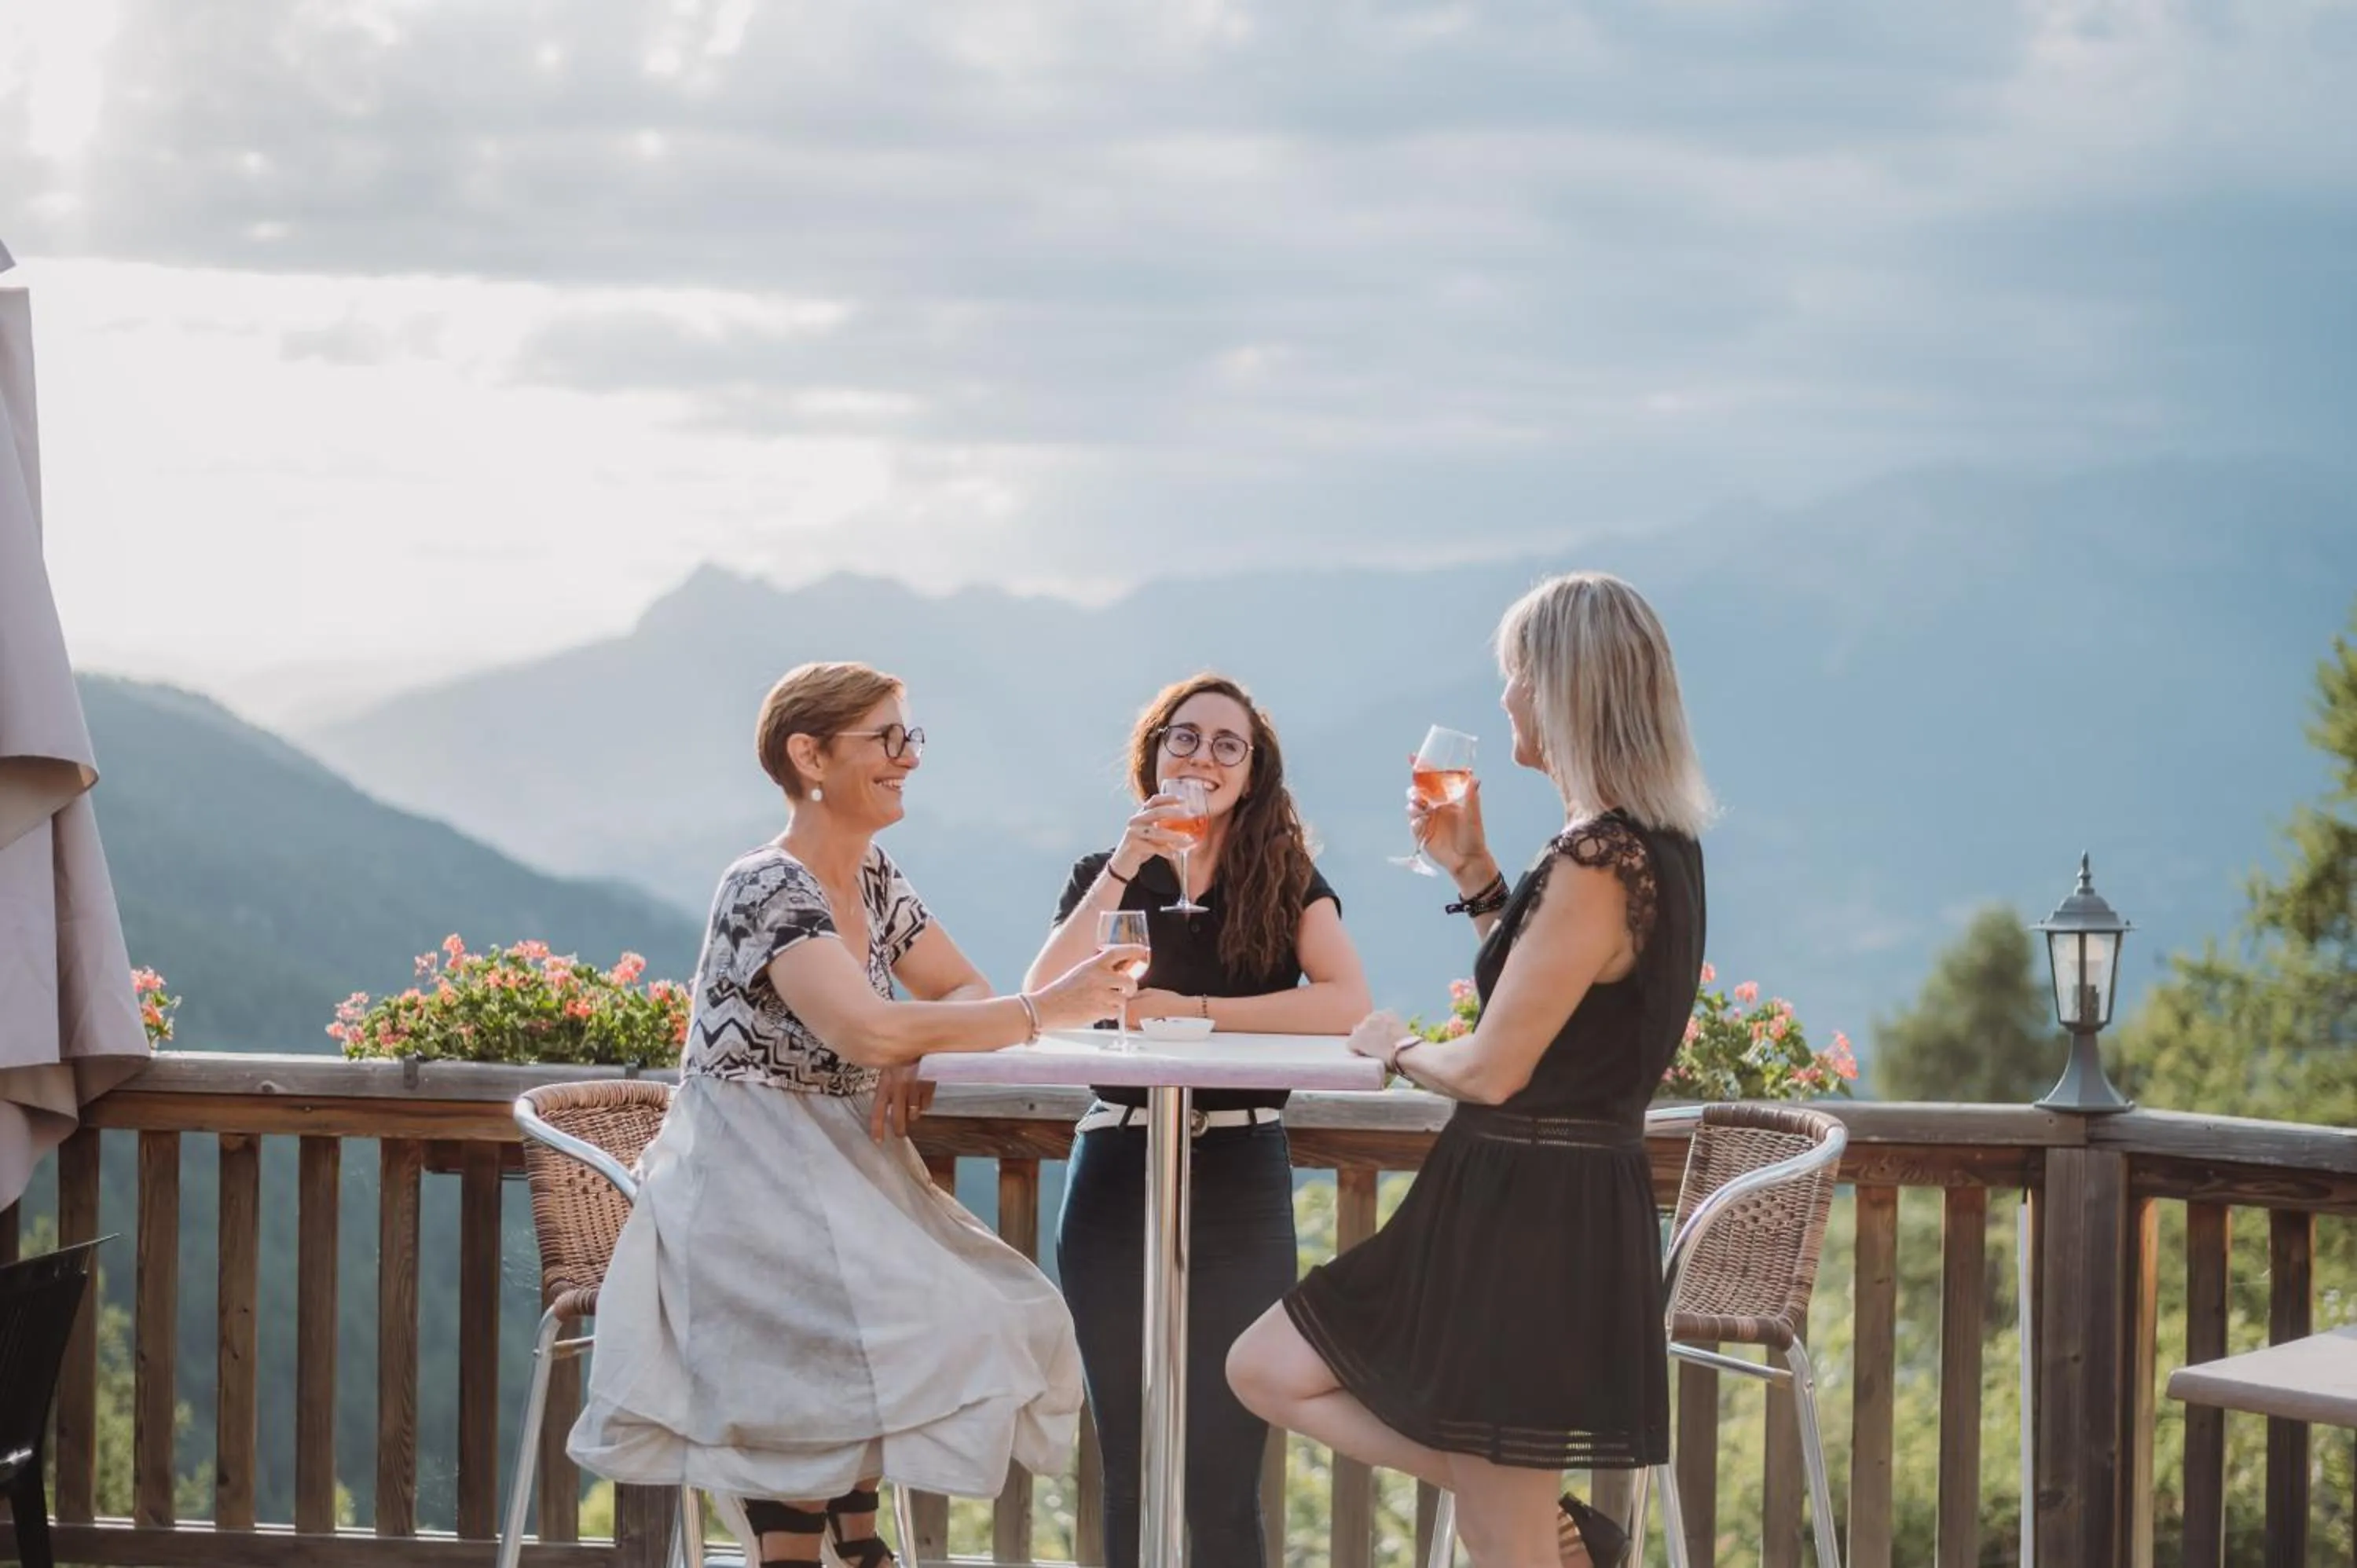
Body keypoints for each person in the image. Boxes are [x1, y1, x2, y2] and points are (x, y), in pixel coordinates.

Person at [570, 661, 1143, 1568]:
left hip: (836, 1177)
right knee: (903, 1324)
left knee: (1004, 1312)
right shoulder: (765, 886)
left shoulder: (873, 878)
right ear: (810, 754)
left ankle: (849, 1533)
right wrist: (1047, 1011)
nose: (907, 757)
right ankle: (827, 1541)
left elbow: (956, 985)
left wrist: (918, 1045)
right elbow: (860, 1025)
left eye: (909, 736)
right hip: (742, 1189)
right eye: (886, 737)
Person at [1226, 573, 1713, 1568]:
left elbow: (1494, 1066)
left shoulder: (1597, 856)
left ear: (1567, 688)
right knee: (1268, 1367)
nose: (1506, 700)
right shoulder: (1648, 845)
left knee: (1503, 1545)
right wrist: (1476, 875)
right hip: (1535, 1201)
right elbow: (1554, 1004)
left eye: (1518, 675)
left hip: (1528, 1216)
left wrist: (1391, 1047)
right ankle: (1556, 1520)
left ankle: (1544, 1520)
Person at [1025, 672, 1371, 1567]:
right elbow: (1041, 998)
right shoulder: (1109, 874)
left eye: (1228, 744)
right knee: (1130, 1462)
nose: (1203, 757)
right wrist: (1120, 862)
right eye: (1184, 738)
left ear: (1252, 775)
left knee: (1223, 1463)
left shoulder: (1285, 875)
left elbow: (1345, 1001)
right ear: (1154, 754)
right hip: (1115, 1168)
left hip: (1240, 1170)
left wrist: (1198, 1009)